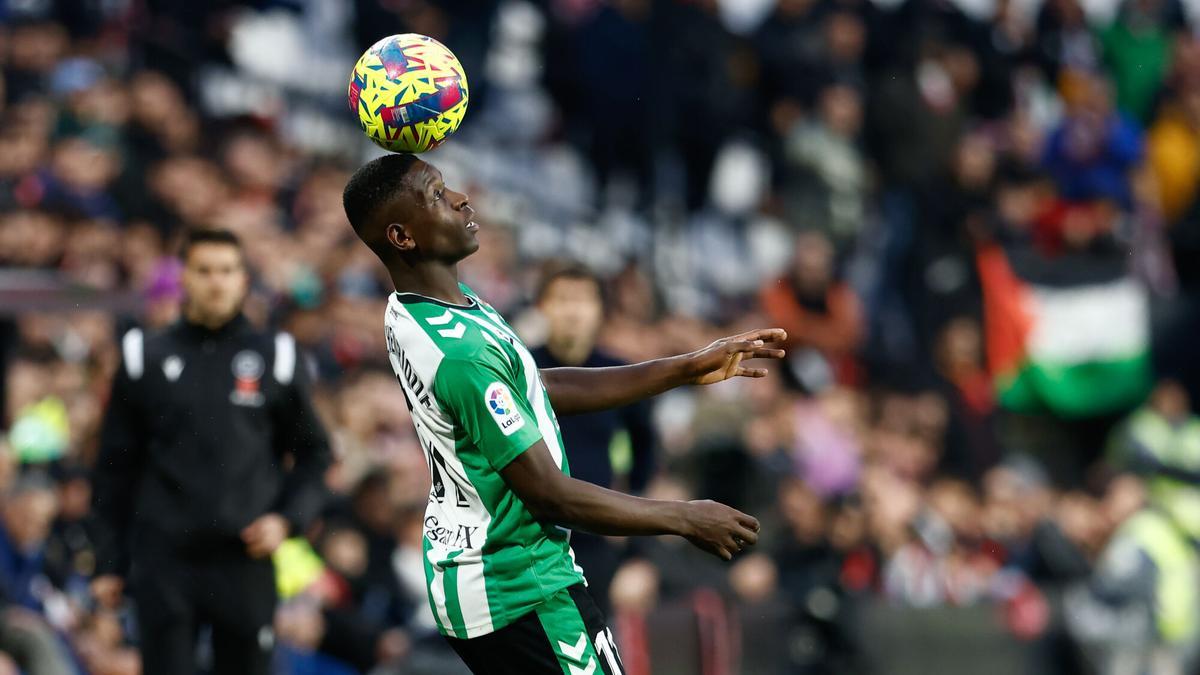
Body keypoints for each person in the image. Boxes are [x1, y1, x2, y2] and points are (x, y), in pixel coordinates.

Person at [342, 153, 784, 675]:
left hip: (488, 568)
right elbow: (548, 493)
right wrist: (684, 517)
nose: (462, 198)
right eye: (437, 195)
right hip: (519, 586)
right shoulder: (460, 355)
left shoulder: (422, 306)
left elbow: (533, 386)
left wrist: (685, 367)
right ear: (401, 237)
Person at [90, 228, 333, 675]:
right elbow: (113, 468)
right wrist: (108, 561)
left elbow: (316, 455)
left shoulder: (276, 356)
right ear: (184, 277)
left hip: (244, 558)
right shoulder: (143, 354)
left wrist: (287, 520)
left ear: (244, 279)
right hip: (163, 561)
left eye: (228, 270)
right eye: (204, 270)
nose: (216, 282)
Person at [530, 262, 657, 613]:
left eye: (583, 300)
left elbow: (645, 451)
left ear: (601, 310)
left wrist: (635, 552)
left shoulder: (621, 375)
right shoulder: (519, 369)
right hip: (531, 540)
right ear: (542, 306)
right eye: (562, 299)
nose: (572, 311)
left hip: (597, 540)